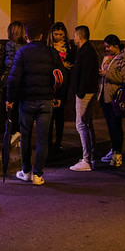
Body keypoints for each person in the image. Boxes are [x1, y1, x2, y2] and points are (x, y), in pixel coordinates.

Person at [5, 23, 62, 185]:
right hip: (46, 99)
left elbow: (14, 77)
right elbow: (60, 76)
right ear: (42, 36)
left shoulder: (22, 52)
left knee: (26, 136)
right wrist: (58, 95)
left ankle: (26, 171)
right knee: (43, 139)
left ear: (26, 36)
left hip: (27, 100)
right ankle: (38, 174)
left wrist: (10, 99)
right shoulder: (52, 52)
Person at [98, 34, 125, 168]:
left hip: (116, 97)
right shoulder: (108, 58)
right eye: (105, 47)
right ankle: (114, 150)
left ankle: (117, 153)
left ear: (116, 46)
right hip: (105, 96)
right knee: (111, 126)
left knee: (115, 126)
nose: (106, 49)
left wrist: (107, 73)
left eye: (108, 46)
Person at [69, 25, 100, 172]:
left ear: (80, 36)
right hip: (86, 91)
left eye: (75, 35)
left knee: (81, 124)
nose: (73, 38)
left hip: (85, 92)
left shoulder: (86, 52)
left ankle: (87, 159)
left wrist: (80, 92)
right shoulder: (86, 50)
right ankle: (90, 157)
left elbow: (86, 73)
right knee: (86, 123)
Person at [48, 22, 75, 153]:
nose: (58, 37)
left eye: (60, 34)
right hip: (50, 81)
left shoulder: (69, 47)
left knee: (59, 113)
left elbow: (72, 63)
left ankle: (58, 141)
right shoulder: (48, 46)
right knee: (49, 114)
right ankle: (48, 141)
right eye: (56, 34)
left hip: (63, 82)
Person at [2, 21, 25, 146]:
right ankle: (20, 134)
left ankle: (12, 133)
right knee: (20, 108)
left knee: (10, 108)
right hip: (23, 80)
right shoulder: (25, 45)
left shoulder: (10, 45)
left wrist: (4, 75)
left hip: (11, 78)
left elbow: (9, 62)